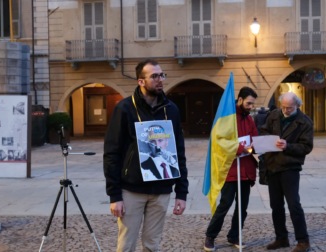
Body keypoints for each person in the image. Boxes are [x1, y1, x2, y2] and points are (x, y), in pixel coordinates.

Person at [103, 59, 189, 252]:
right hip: (131, 191)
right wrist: (114, 195)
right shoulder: (124, 109)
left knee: (152, 245)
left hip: (161, 190)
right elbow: (111, 153)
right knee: (126, 245)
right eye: (154, 76)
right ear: (141, 81)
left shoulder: (171, 110)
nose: (160, 80)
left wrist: (181, 192)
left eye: (162, 75)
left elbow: (178, 152)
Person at [204, 86, 259, 251]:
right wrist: (240, 148)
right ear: (240, 99)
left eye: (253, 104)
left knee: (242, 207)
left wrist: (259, 145)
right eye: (249, 103)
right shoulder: (227, 117)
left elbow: (254, 137)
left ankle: (234, 235)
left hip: (246, 169)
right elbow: (219, 140)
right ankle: (210, 236)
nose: (251, 107)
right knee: (225, 204)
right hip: (230, 169)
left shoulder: (249, 119)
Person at [260, 92, 313, 252]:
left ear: (297, 105)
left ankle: (303, 241)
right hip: (273, 165)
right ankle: (281, 238)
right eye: (284, 107)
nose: (286, 110)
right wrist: (268, 141)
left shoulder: (304, 122)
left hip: (290, 167)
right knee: (276, 205)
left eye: (289, 108)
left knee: (294, 205)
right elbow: (263, 131)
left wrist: (287, 146)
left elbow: (306, 147)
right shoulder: (274, 115)